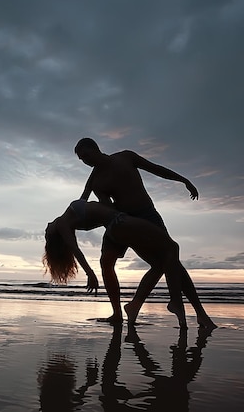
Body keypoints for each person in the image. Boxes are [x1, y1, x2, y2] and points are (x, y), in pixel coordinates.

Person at [75, 138, 214, 327]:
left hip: (147, 215)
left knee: (168, 261)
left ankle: (199, 313)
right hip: (121, 220)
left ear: (96, 149)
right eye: (82, 159)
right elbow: (88, 205)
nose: (86, 161)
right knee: (107, 261)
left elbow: (156, 169)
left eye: (87, 155)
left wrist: (183, 180)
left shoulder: (126, 157)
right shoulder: (95, 180)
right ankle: (118, 313)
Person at [43, 199, 215, 328]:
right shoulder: (63, 224)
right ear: (55, 236)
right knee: (170, 251)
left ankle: (127, 309)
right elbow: (75, 249)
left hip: (116, 226)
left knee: (157, 264)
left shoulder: (68, 218)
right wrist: (89, 273)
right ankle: (169, 302)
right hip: (120, 222)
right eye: (47, 234)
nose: (46, 228)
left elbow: (88, 193)